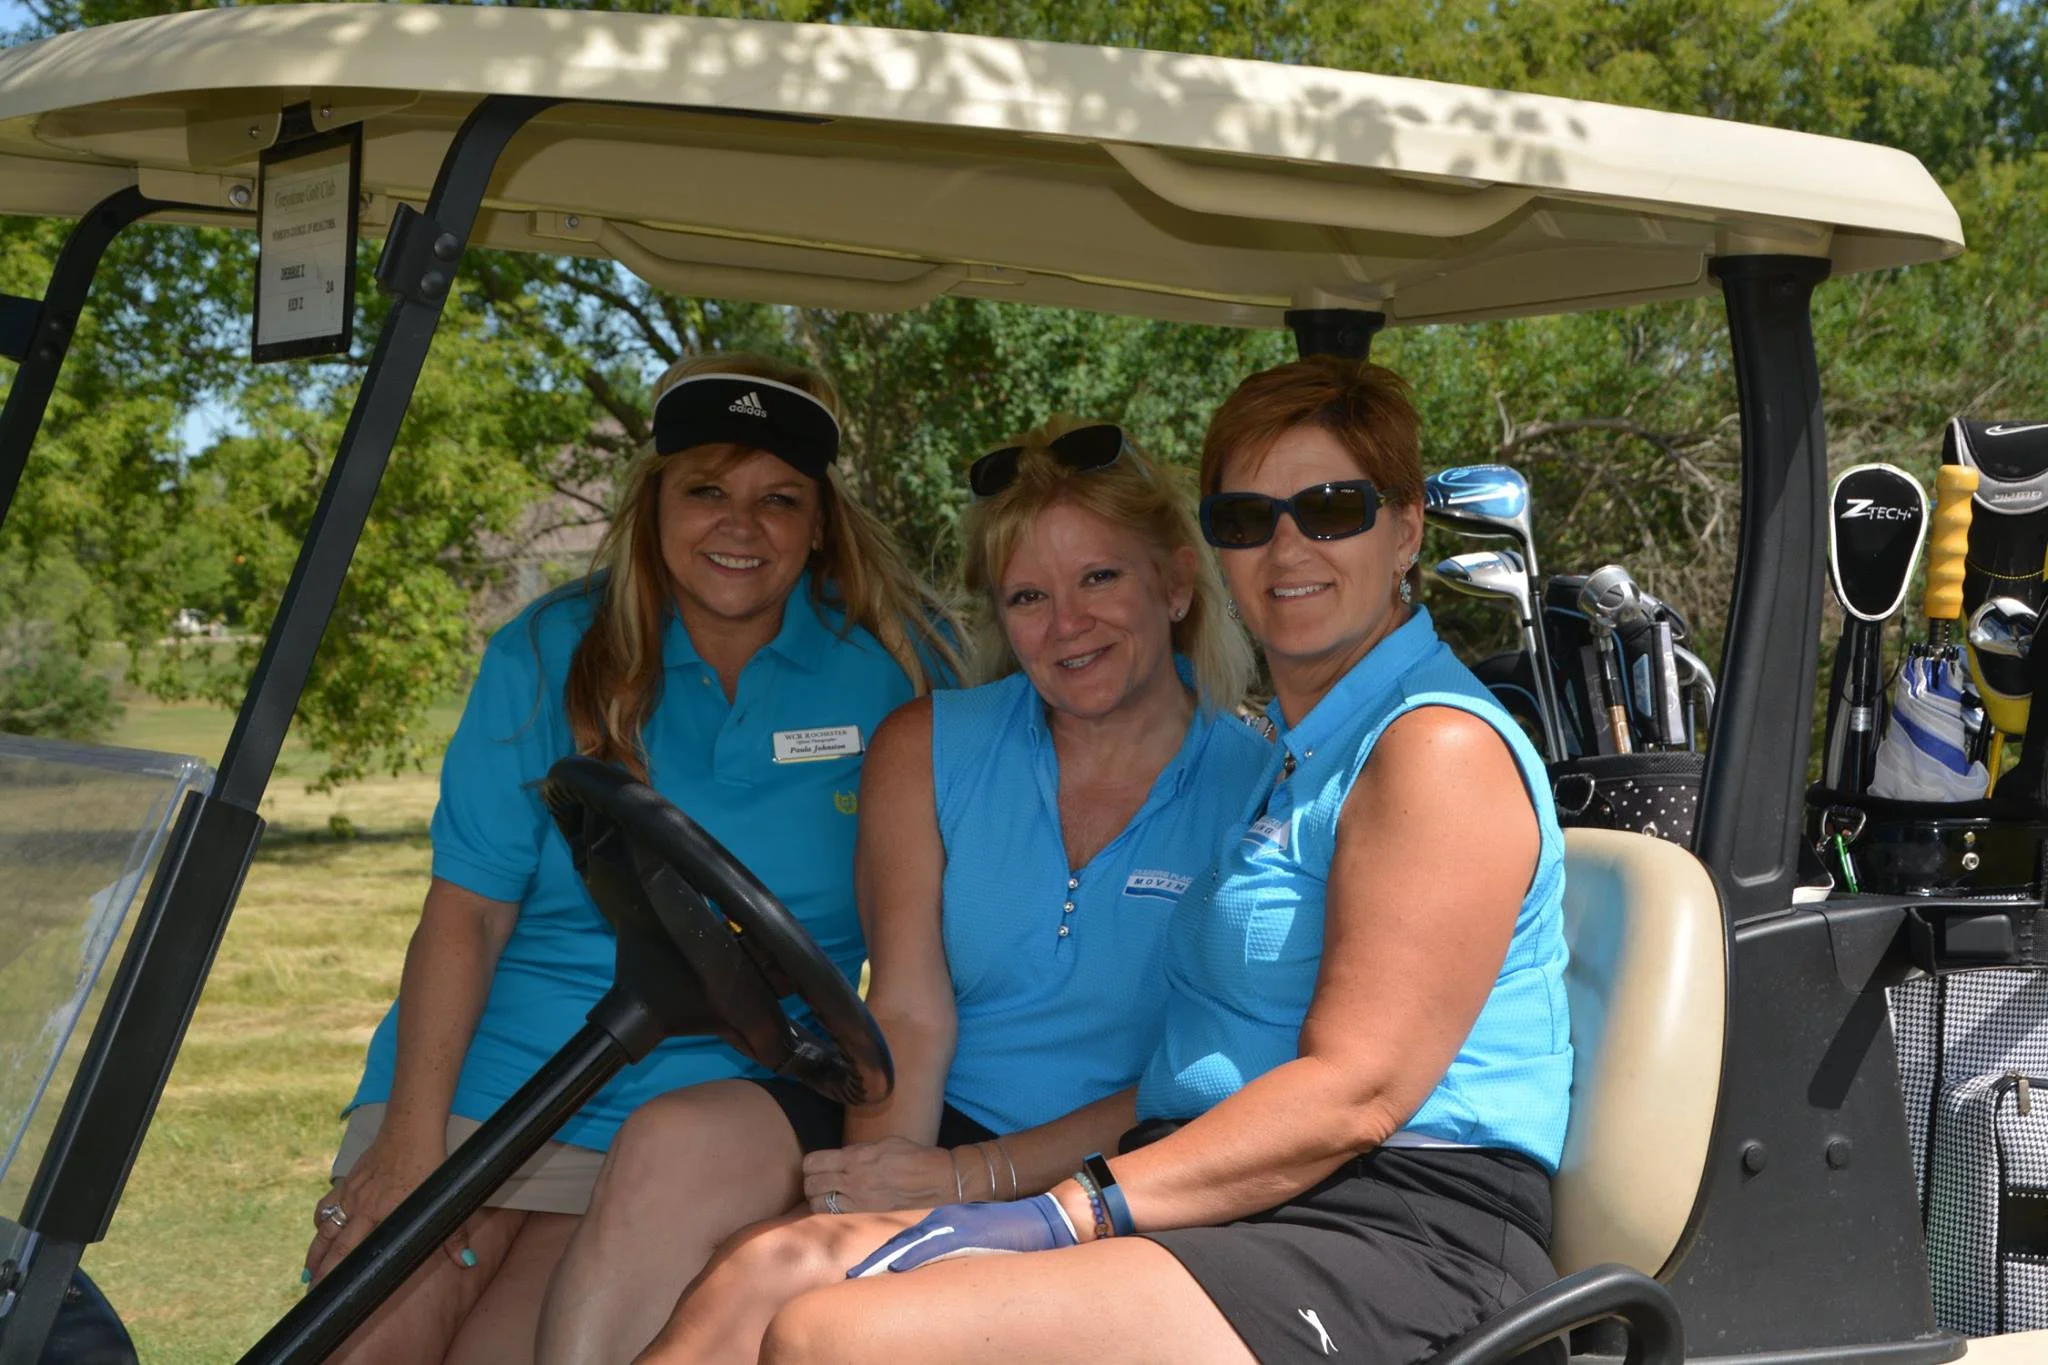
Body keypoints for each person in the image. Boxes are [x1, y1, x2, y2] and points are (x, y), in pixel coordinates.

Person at [653, 355, 1573, 1365]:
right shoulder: (1304, 759)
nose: (1283, 547)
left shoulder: (1429, 748)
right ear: (1211, 555)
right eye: (1243, 518)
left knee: (838, 1336)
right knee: (762, 1276)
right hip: (1225, 1195)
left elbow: (1357, 1092)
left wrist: (1061, 1212)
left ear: (1404, 530)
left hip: (1393, 1235)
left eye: (1329, 508)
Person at [535, 419, 1273, 1365]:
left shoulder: (1255, 786)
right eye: (1028, 596)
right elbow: (912, 1010)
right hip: (932, 1105)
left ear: (1174, 584)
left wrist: (956, 1183)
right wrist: (872, 1193)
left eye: (1101, 579)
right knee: (673, 1142)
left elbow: (1198, 1080)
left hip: (1113, 1156)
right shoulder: (929, 743)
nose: (1066, 623)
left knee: (785, 1270)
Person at [301, 352, 960, 1365]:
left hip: (700, 1110)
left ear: (819, 522)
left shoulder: (891, 675)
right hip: (489, 1081)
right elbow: (467, 913)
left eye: (777, 499)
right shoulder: (549, 649)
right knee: (364, 1340)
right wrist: (408, 1146)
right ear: (654, 503)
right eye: (706, 491)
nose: (739, 527)